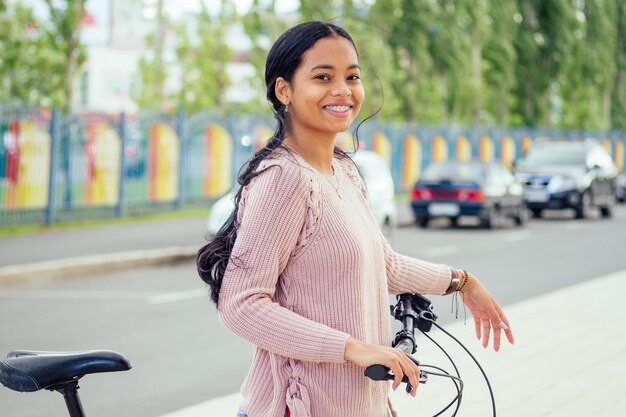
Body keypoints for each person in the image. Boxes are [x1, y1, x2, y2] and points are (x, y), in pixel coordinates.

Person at [196, 21, 515, 417]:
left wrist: (461, 282)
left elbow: (385, 265)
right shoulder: (284, 178)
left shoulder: (343, 170)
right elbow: (241, 305)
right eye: (322, 77)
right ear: (285, 90)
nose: (342, 90)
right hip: (296, 407)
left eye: (352, 76)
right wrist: (353, 349)